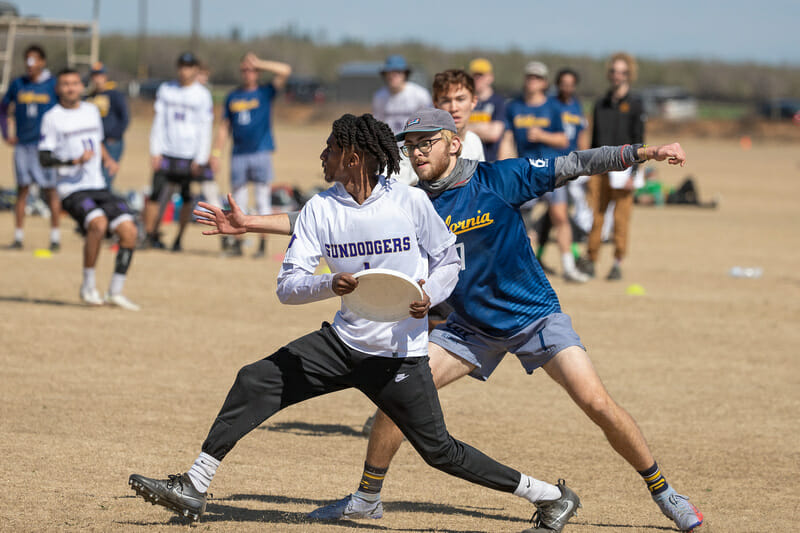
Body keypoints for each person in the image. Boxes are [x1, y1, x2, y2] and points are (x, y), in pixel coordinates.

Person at [241, 109, 702, 532]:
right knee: (395, 401)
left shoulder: (501, 179)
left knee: (597, 403)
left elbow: (577, 162)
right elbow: (319, 220)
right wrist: (248, 222)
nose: (417, 152)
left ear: (454, 144)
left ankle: (664, 492)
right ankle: (366, 498)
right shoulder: (411, 204)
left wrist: (645, 152)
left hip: (534, 318)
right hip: (468, 331)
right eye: (410, 145)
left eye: (427, 142)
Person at [129, 113, 580, 531]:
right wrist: (330, 285)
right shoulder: (319, 210)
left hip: (399, 357)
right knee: (255, 380)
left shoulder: (409, 202)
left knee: (440, 452)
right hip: (342, 344)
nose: (321, 156)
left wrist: (429, 294)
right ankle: (194, 486)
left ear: (353, 156)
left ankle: (549, 496)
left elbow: (448, 261)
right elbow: (287, 287)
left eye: (328, 149)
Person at [38, 68, 139, 310]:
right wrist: (72, 161)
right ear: (58, 88)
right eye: (65, 84)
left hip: (98, 185)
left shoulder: (92, 111)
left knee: (129, 232)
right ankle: (88, 285)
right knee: (98, 224)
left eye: (74, 83)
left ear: (81, 87)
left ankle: (115, 291)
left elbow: (97, 140)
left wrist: (107, 158)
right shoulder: (52, 117)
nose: (71, 88)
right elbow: (44, 157)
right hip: (71, 189)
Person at [504, 61, 587, 282]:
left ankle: (568, 267)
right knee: (524, 222)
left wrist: (542, 136)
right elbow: (507, 138)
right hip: (525, 173)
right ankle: (526, 272)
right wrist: (504, 168)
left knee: (560, 217)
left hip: (551, 173)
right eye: (529, 77)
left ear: (544, 82)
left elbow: (563, 140)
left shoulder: (553, 107)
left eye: (537, 78)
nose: (532, 81)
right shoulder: (514, 107)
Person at [209, 52, 291, 258]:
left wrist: (261, 62)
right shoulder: (233, 96)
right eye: (244, 69)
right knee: (238, 200)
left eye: (252, 70)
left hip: (261, 152)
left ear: (258, 72)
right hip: (238, 154)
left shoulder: (265, 92)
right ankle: (238, 243)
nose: (248, 73)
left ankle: (262, 246)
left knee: (263, 199)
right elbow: (223, 127)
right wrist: (216, 153)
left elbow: (285, 71)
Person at [578, 52, 646, 281]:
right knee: (596, 216)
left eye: (622, 72)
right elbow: (594, 140)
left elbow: (640, 140)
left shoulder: (635, 105)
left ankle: (617, 262)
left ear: (629, 75)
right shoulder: (600, 104)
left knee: (621, 219)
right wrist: (588, 170)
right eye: (614, 71)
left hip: (625, 171)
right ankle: (591, 259)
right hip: (600, 170)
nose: (618, 76)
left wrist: (635, 173)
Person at [141, 52, 213, 251]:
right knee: (155, 194)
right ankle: (149, 234)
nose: (185, 70)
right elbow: (158, 121)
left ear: (195, 69)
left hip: (189, 154)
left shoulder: (202, 95)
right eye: (181, 66)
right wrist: (155, 150)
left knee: (186, 197)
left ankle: (179, 238)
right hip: (166, 151)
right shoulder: (167, 89)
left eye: (189, 66)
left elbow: (205, 127)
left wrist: (201, 157)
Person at [1, 44, 60, 251]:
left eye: (34, 60)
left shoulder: (53, 84)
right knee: (22, 190)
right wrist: (6, 133)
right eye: (28, 60)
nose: (30, 65)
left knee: (51, 190)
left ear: (42, 62)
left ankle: (55, 238)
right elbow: (3, 107)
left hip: (45, 147)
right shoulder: (18, 84)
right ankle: (18, 237)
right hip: (23, 146)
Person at [372, 55, 433, 186]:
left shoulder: (419, 95)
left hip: (414, 151)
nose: (393, 76)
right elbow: (377, 128)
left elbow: (429, 126)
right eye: (390, 73)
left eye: (398, 72)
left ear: (405, 74)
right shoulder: (380, 97)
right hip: (390, 154)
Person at [84, 62, 129, 190]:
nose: (97, 79)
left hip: (111, 143)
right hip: (94, 143)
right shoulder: (89, 96)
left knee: (105, 179)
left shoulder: (115, 95)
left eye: (100, 75)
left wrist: (114, 136)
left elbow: (125, 118)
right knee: (93, 177)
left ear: (105, 76)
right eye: (94, 76)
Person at [432, 69, 484, 162]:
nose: (453, 108)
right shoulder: (427, 147)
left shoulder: (474, 141)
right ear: (436, 105)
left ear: (473, 102)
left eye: (460, 99)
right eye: (446, 101)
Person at [466, 58, 505, 162]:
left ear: (490, 77)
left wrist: (467, 128)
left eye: (481, 76)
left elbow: (494, 134)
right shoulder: (464, 101)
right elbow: (456, 130)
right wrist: (482, 127)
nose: (477, 79)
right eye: (475, 76)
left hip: (489, 161)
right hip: (466, 161)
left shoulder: (498, 102)